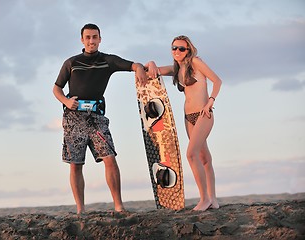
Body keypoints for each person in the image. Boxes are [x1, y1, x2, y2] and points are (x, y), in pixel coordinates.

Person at [53, 23, 147, 214]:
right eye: (87, 37)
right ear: (82, 40)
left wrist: (139, 69)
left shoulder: (108, 61)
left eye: (94, 37)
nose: (91, 41)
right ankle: (81, 210)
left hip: (97, 118)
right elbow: (56, 88)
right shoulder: (71, 62)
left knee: (110, 159)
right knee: (75, 164)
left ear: (100, 39)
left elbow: (133, 65)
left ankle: (119, 206)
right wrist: (65, 100)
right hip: (73, 118)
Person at [146, 35, 222, 211]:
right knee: (204, 157)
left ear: (188, 50)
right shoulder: (177, 69)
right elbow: (154, 70)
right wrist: (150, 62)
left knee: (191, 154)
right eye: (174, 48)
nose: (177, 51)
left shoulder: (195, 62)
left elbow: (217, 80)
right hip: (188, 117)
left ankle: (204, 199)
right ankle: (213, 199)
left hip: (203, 114)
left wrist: (211, 101)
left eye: (181, 48)